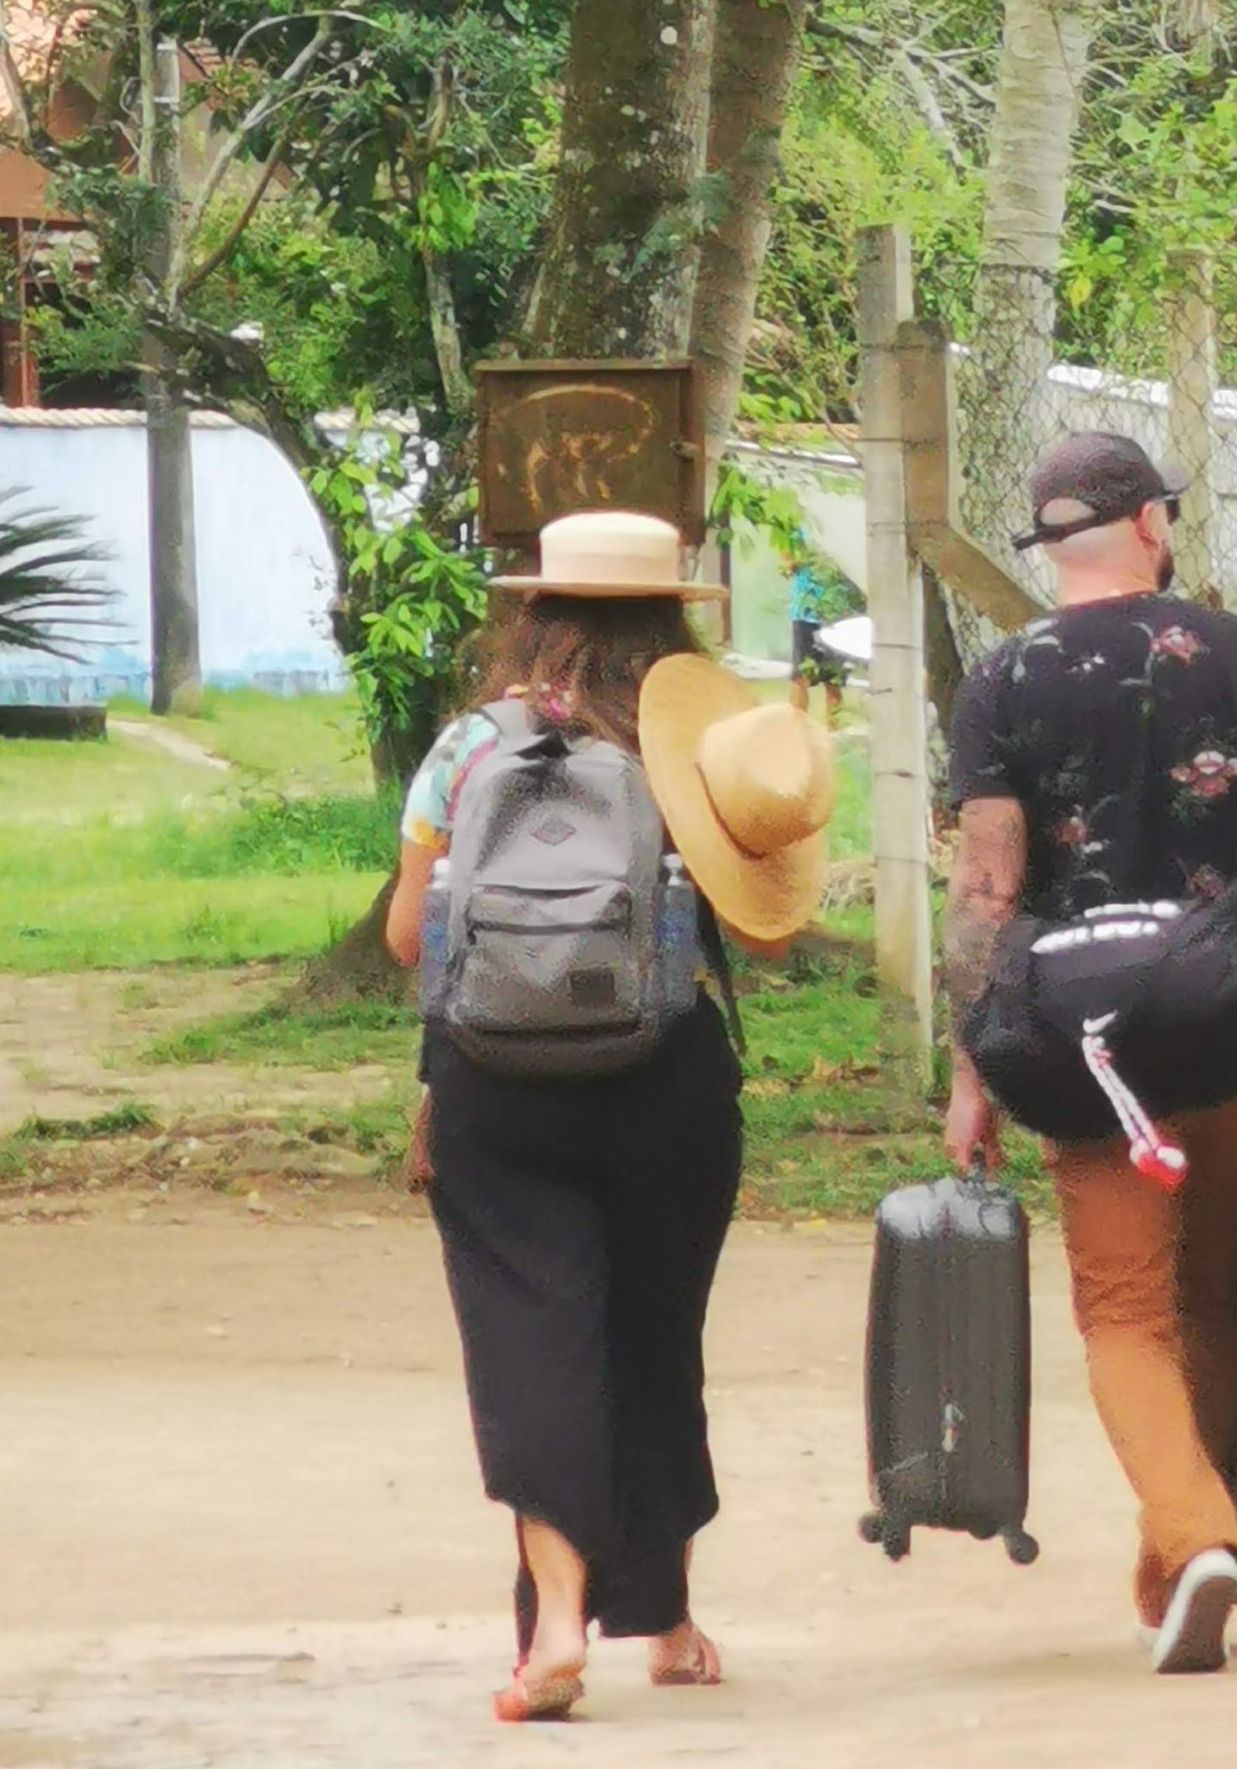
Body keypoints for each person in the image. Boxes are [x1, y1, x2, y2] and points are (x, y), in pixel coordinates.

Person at [386, 510, 835, 1722]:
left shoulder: (469, 744)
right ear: (673, 611)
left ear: (539, 608)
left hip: (495, 1083)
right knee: (650, 1337)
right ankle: (672, 1623)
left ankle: (555, 1629)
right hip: (665, 1081)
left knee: (531, 1340)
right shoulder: (693, 745)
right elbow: (760, 925)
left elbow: (405, 934)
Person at [942, 433, 1237, 1676]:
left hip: (1090, 1047)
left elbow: (985, 889)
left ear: (1050, 543)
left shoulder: (1002, 680)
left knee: (1124, 1312)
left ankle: (1190, 1541)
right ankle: (1185, 1551)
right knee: (1219, 1292)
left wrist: (973, 1069)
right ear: (1153, 524)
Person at [785, 535, 847, 727]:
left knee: (833, 680)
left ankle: (835, 732)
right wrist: (802, 559)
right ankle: (797, 732)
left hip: (834, 611)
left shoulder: (838, 526)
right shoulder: (795, 529)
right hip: (804, 612)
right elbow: (786, 564)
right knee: (800, 677)